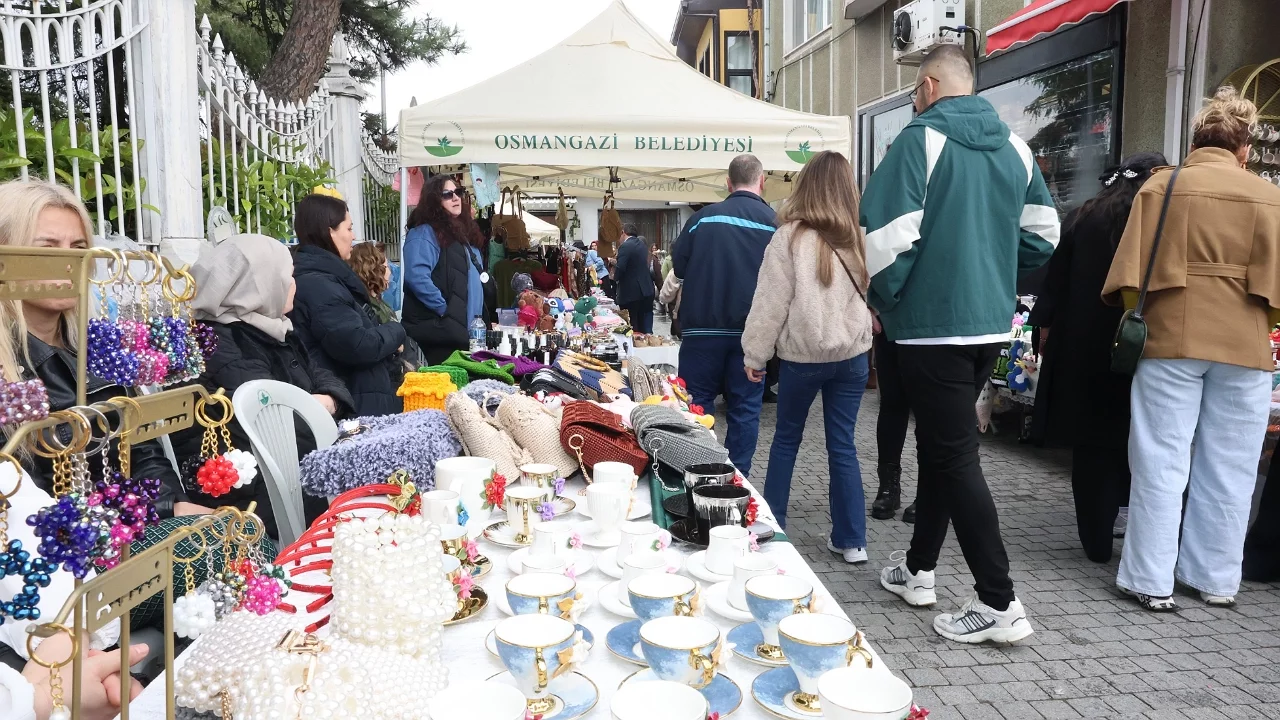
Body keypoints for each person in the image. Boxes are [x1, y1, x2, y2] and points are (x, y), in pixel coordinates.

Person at [861, 45, 1057, 643]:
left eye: (913, 92)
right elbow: (1044, 235)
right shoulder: (1015, 147)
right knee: (943, 447)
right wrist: (993, 269)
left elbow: (883, 241)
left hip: (930, 325)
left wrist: (889, 300)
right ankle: (918, 569)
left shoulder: (918, 140)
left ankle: (999, 603)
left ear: (927, 85)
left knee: (953, 455)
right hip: (989, 324)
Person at [1103, 87, 1280, 611]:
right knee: (1232, 466)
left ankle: (1149, 579)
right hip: (1246, 341)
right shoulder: (1269, 196)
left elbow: (1131, 279)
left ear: (1196, 141)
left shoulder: (1162, 187)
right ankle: (1216, 578)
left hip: (1171, 336)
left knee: (1161, 461)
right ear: (1244, 148)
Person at [0, 180, 194, 516]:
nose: (69, 262)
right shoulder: (8, 369)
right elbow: (24, 500)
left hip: (134, 519)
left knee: (243, 532)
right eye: (47, 248)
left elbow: (141, 448)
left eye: (78, 247)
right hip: (58, 539)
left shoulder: (98, 348)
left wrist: (172, 506)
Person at [1028, 152, 1167, 563]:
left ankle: (1095, 539)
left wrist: (1045, 328)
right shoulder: (1157, 221)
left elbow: (1054, 280)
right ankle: (1131, 518)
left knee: (1090, 444)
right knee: (1134, 434)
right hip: (1140, 342)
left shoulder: (1084, 216)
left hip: (1081, 343)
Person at [171, 233, 355, 539]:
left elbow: (322, 375)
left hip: (292, 477)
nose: (294, 284)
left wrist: (328, 400)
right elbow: (279, 422)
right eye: (287, 276)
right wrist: (315, 405)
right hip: (258, 503)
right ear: (257, 285)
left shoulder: (273, 328)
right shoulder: (218, 344)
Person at [741, 151, 874, 562]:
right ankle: (852, 540)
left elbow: (770, 303)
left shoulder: (789, 237)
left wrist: (755, 355)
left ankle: (773, 528)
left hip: (804, 356)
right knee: (843, 445)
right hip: (852, 355)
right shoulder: (859, 237)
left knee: (785, 440)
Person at [673, 154, 777, 476]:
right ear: (762, 182)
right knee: (745, 409)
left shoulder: (702, 219)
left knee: (696, 404)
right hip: (752, 336)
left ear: (728, 183)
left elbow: (679, 268)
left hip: (702, 332)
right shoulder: (776, 224)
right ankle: (737, 478)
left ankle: (698, 472)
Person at [290, 193, 405, 416]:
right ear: (329, 232)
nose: (353, 237)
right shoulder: (319, 285)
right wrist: (396, 330)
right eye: (349, 228)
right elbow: (358, 345)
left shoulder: (327, 277)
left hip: (359, 394)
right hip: (352, 403)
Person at [401, 176, 488, 366]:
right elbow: (417, 278)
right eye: (447, 194)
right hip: (440, 335)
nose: (455, 198)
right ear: (434, 200)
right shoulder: (424, 233)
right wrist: (445, 311)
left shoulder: (462, 233)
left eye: (458, 192)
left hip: (463, 334)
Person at [349, 241, 423, 373]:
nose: (389, 271)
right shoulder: (367, 307)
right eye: (386, 266)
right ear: (372, 270)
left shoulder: (377, 303)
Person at [869, 331, 915, 524]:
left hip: (929, 332)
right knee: (891, 405)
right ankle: (888, 487)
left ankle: (929, 490)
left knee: (928, 409)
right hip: (892, 329)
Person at [614, 225, 656, 333]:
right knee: (641, 322)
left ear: (623, 232)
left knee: (631, 323)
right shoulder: (642, 245)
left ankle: (634, 340)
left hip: (630, 291)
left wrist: (615, 278)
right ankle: (642, 339)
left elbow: (621, 267)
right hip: (645, 289)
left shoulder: (625, 246)